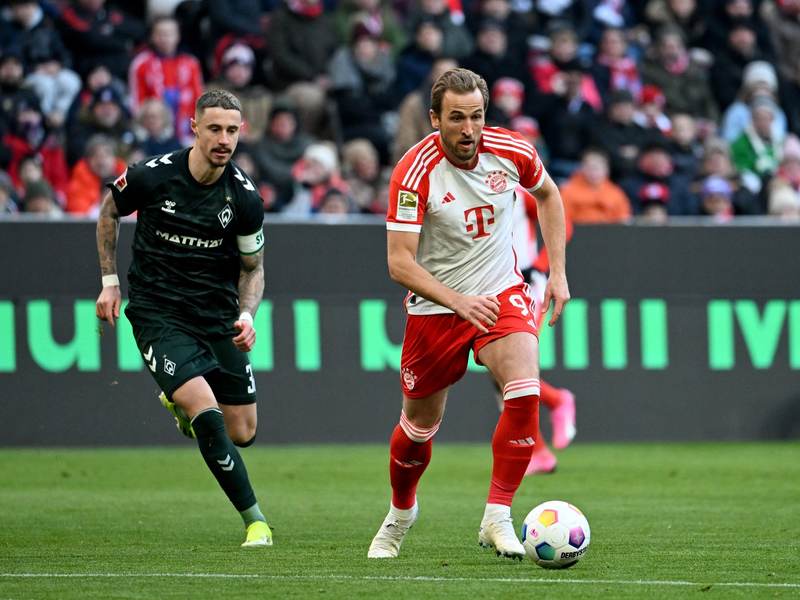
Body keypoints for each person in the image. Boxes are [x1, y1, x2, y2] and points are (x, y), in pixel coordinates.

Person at [368, 68, 569, 560]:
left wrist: (559, 273)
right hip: (436, 308)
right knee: (417, 430)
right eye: (456, 118)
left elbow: (548, 195)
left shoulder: (513, 150)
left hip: (500, 292)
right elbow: (399, 262)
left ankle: (497, 516)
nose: (468, 129)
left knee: (522, 390)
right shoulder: (413, 172)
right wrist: (458, 302)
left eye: (476, 116)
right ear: (435, 119)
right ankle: (401, 512)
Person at [94, 90, 272, 548]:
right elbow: (110, 209)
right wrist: (110, 280)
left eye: (232, 130)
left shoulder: (245, 197)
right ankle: (256, 522)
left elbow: (253, 268)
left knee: (243, 431)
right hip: (159, 313)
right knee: (207, 413)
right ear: (193, 127)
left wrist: (248, 315)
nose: (224, 139)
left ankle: (180, 405)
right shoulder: (153, 177)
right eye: (214, 128)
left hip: (216, 317)